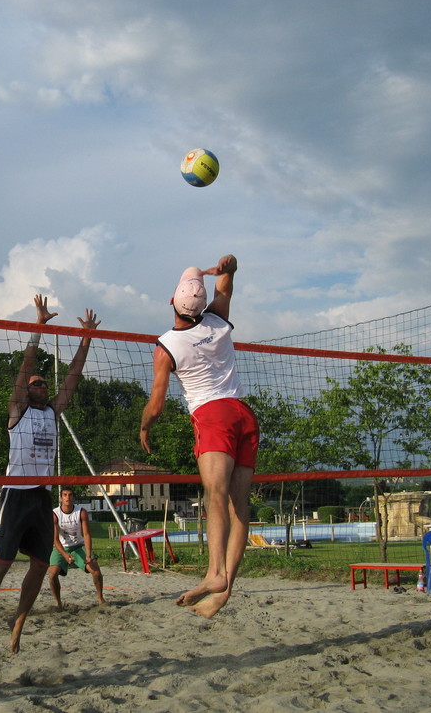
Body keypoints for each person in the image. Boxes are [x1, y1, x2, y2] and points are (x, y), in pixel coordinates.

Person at [0, 294, 99, 652]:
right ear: (26, 390)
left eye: (44, 383)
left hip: (40, 496)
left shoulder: (52, 412)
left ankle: (19, 621)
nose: (39, 385)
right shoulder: (18, 411)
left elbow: (73, 376)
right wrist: (38, 328)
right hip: (15, 494)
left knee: (42, 564)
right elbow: (26, 365)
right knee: (3, 560)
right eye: (35, 383)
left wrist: (86, 337)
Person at [139, 255, 259, 619]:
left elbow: (156, 405)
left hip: (212, 416)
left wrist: (144, 425)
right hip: (243, 414)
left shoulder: (166, 346)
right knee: (241, 509)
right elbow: (230, 276)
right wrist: (227, 265)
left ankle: (214, 574)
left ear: (171, 303)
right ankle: (222, 592)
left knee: (215, 496)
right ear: (202, 303)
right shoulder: (218, 318)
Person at [48, 486, 105, 608]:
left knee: (96, 571)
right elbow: (55, 539)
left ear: (74, 498)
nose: (67, 497)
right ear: (61, 498)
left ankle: (100, 598)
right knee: (52, 575)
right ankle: (58, 603)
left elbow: (87, 534)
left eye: (70, 495)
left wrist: (89, 555)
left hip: (79, 546)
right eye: (65, 495)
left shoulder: (81, 512)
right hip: (61, 547)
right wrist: (64, 554)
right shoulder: (55, 514)